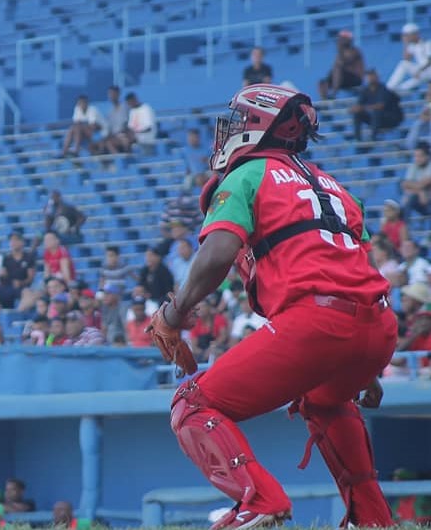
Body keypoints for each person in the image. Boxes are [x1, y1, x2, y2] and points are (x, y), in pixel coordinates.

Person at [148, 83, 396, 528]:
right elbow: (355, 268)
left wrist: (173, 312)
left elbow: (218, 253)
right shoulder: (335, 186)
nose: (230, 131)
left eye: (238, 122)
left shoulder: (248, 173)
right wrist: (364, 364)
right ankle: (374, 519)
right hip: (377, 325)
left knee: (191, 402)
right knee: (325, 398)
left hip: (317, 322)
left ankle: (259, 500)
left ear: (259, 126)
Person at [351, 69, 403, 142]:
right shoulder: (365, 90)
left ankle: (373, 137)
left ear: (377, 77)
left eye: (372, 76)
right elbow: (359, 105)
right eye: (368, 77)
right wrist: (355, 108)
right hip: (376, 120)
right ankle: (357, 138)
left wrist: (363, 108)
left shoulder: (383, 89)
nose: (370, 79)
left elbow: (381, 106)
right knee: (357, 113)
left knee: (376, 112)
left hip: (391, 118)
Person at [318, 30, 365, 100]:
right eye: (340, 38)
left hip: (356, 79)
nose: (340, 40)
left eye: (342, 38)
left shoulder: (355, 51)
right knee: (322, 82)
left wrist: (339, 49)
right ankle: (324, 100)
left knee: (337, 69)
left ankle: (333, 95)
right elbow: (336, 66)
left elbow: (344, 62)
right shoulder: (340, 52)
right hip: (342, 79)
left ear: (349, 40)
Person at [387, 23, 431, 91]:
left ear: (415, 34)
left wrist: (419, 70)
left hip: (427, 70)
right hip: (422, 72)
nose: (406, 37)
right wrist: (405, 44)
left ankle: (389, 87)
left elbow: (429, 61)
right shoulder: (412, 46)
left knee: (403, 64)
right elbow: (406, 59)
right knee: (402, 88)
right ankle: (389, 90)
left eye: (407, 35)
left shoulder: (427, 43)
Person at [0, 232, 37, 309]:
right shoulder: (6, 258)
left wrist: (21, 283)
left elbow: (30, 278)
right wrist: (2, 276)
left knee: (28, 294)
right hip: (8, 287)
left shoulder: (28, 257)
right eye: (11, 241)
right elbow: (3, 276)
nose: (13, 243)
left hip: (22, 288)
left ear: (22, 242)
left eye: (16, 240)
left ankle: (18, 314)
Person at [402, 142, 431, 216]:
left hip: (428, 202)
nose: (417, 159)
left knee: (409, 199)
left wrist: (415, 186)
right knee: (409, 199)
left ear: (427, 156)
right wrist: (420, 191)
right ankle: (404, 226)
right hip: (421, 200)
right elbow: (404, 184)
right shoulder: (413, 166)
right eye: (415, 156)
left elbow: (424, 182)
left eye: (420, 156)